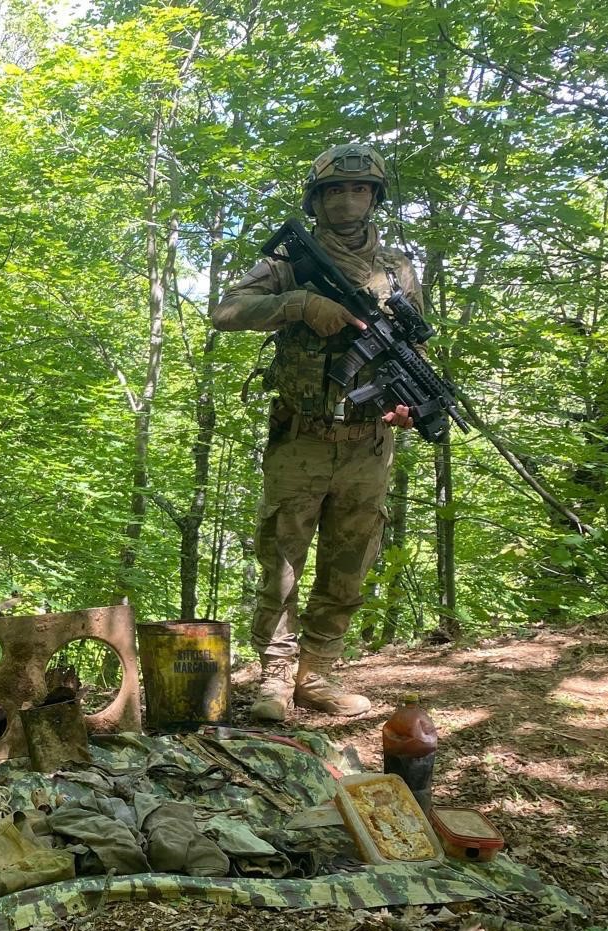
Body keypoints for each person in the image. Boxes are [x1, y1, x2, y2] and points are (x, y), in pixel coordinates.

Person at [212, 143, 419, 722]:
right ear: (317, 199)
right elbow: (226, 311)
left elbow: (413, 347)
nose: (347, 200)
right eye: (334, 190)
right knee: (281, 561)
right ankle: (275, 680)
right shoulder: (291, 264)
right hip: (300, 438)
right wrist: (298, 304)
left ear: (375, 198)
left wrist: (405, 404)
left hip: (367, 444)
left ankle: (318, 673)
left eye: (359, 190)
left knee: (348, 562)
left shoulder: (397, 270)